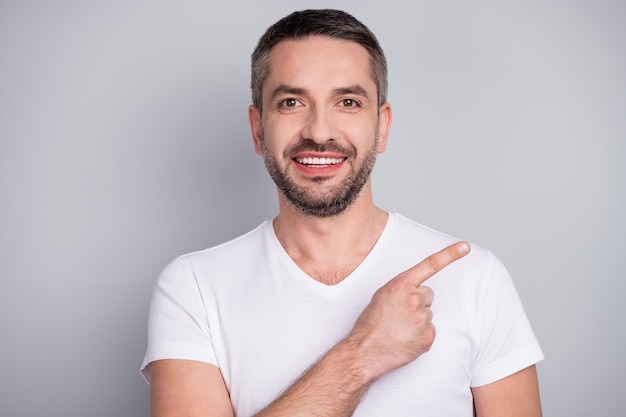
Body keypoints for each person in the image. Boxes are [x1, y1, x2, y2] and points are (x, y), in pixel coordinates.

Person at [141, 9, 544, 417]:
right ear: (258, 129)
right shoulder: (193, 287)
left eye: (347, 102)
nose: (319, 131)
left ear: (382, 127)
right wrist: (364, 353)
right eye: (291, 102)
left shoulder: (475, 278)